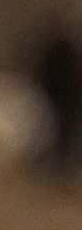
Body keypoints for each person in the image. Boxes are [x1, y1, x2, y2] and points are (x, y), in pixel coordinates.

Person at [34, 14, 82, 177]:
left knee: (64, 132)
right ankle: (60, 164)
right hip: (58, 98)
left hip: (64, 98)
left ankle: (63, 164)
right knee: (59, 132)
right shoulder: (58, 50)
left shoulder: (64, 50)